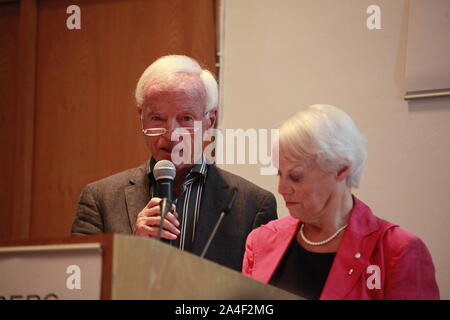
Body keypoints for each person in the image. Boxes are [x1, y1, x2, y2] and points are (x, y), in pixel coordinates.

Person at [71, 55, 277, 272]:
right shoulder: (99, 199)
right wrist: (131, 251)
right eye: (157, 118)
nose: (171, 134)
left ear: (210, 120)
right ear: (141, 117)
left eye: (186, 118)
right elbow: (80, 285)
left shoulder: (253, 206)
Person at [242, 104, 440, 299]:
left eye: (296, 177)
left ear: (341, 169)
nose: (281, 189)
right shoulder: (261, 241)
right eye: (280, 174)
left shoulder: (397, 251)